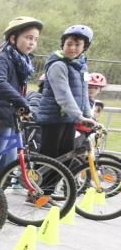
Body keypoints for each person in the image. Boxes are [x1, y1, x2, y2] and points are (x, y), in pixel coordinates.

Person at [0, 16, 43, 214]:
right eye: (28, 37)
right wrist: (21, 101)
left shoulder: (21, 60)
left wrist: (22, 105)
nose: (32, 43)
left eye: (35, 39)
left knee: (8, 161)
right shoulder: (3, 58)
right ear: (13, 38)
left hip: (11, 116)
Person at [35, 25, 98, 162]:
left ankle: (59, 183)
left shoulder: (81, 66)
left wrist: (89, 116)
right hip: (53, 119)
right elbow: (63, 95)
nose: (72, 48)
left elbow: (83, 94)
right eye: (69, 44)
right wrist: (80, 117)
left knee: (66, 157)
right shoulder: (58, 65)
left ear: (84, 47)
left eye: (77, 45)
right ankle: (41, 184)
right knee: (49, 159)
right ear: (63, 44)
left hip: (69, 118)